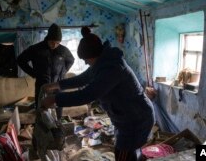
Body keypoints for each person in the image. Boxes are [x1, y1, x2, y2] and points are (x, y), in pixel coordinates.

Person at [41, 27, 155, 161]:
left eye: (86, 59)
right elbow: (82, 78)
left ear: (94, 55)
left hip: (136, 119)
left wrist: (55, 99)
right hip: (126, 117)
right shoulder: (102, 62)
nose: (85, 62)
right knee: (128, 152)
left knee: (124, 155)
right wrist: (57, 85)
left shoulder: (113, 68)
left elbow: (87, 95)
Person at [17, 23, 75, 120]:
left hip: (58, 86)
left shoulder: (63, 50)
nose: (55, 45)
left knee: (58, 112)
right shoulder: (36, 49)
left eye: (57, 42)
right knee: (42, 113)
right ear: (48, 38)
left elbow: (71, 60)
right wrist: (33, 73)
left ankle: (57, 128)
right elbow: (20, 60)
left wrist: (63, 72)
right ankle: (42, 132)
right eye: (52, 42)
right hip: (42, 86)